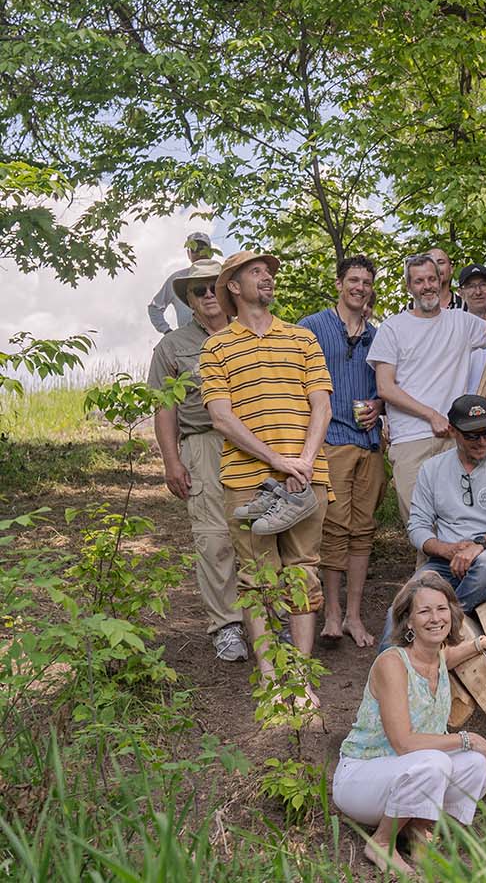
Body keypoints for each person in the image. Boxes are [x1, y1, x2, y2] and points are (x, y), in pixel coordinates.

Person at [198, 250, 332, 706]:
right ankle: (272, 677)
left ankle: (300, 676)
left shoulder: (302, 339)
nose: (267, 278)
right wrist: (278, 459)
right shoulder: (216, 347)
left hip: (306, 477)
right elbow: (221, 417)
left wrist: (305, 461)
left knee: (304, 572)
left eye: (269, 273)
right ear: (233, 286)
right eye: (257, 272)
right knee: (256, 578)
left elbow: (322, 405)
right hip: (247, 478)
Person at [332, 571, 486, 876]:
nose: (435, 618)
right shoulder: (392, 663)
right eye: (424, 611)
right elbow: (404, 743)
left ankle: (419, 830)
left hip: (406, 775)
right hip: (362, 779)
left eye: (441, 609)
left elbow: (452, 653)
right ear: (408, 621)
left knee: (479, 763)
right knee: (437, 761)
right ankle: (381, 843)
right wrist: (467, 737)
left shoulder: (436, 657)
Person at [148, 258, 246, 662]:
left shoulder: (251, 332)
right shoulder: (172, 346)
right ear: (187, 298)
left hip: (253, 444)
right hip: (203, 445)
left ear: (227, 289)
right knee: (213, 539)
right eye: (198, 290)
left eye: (213, 287)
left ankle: (270, 618)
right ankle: (227, 625)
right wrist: (172, 462)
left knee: (259, 533)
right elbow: (164, 408)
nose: (207, 295)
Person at [299, 255, 385, 648]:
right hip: (331, 440)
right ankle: (331, 613)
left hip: (368, 444)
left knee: (363, 531)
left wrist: (378, 408)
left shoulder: (378, 335)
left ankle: (354, 615)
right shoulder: (312, 328)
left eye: (366, 282)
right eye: (353, 280)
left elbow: (387, 385)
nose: (360, 287)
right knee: (333, 528)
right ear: (339, 283)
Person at [368, 253, 486, 524]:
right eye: (419, 281)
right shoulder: (393, 328)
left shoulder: (462, 323)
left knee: (458, 522)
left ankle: (444, 568)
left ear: (441, 280)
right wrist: (431, 414)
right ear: (409, 287)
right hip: (411, 440)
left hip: (454, 440)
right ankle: (427, 568)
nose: (427, 286)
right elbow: (385, 387)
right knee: (421, 524)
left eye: (431, 279)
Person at [405, 395, 486, 620]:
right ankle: (390, 654)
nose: (482, 442)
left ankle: (448, 623)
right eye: (472, 435)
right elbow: (417, 525)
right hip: (445, 560)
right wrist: (445, 549)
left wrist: (480, 545)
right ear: (453, 431)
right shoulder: (432, 469)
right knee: (407, 600)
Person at [147, 230, 215, 334]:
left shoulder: (224, 275)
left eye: (203, 248)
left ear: (211, 252)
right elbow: (154, 307)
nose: (199, 252)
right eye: (194, 249)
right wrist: (167, 331)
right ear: (188, 253)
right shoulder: (178, 279)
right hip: (190, 343)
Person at [458, 264, 486, 389]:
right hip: (461, 405)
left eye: (484, 285)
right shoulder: (455, 328)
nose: (478, 292)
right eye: (470, 286)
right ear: (460, 293)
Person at [406, 246, 467, 311]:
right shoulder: (408, 310)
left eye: (440, 263)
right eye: (431, 263)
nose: (436, 268)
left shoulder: (466, 307)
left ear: (451, 268)